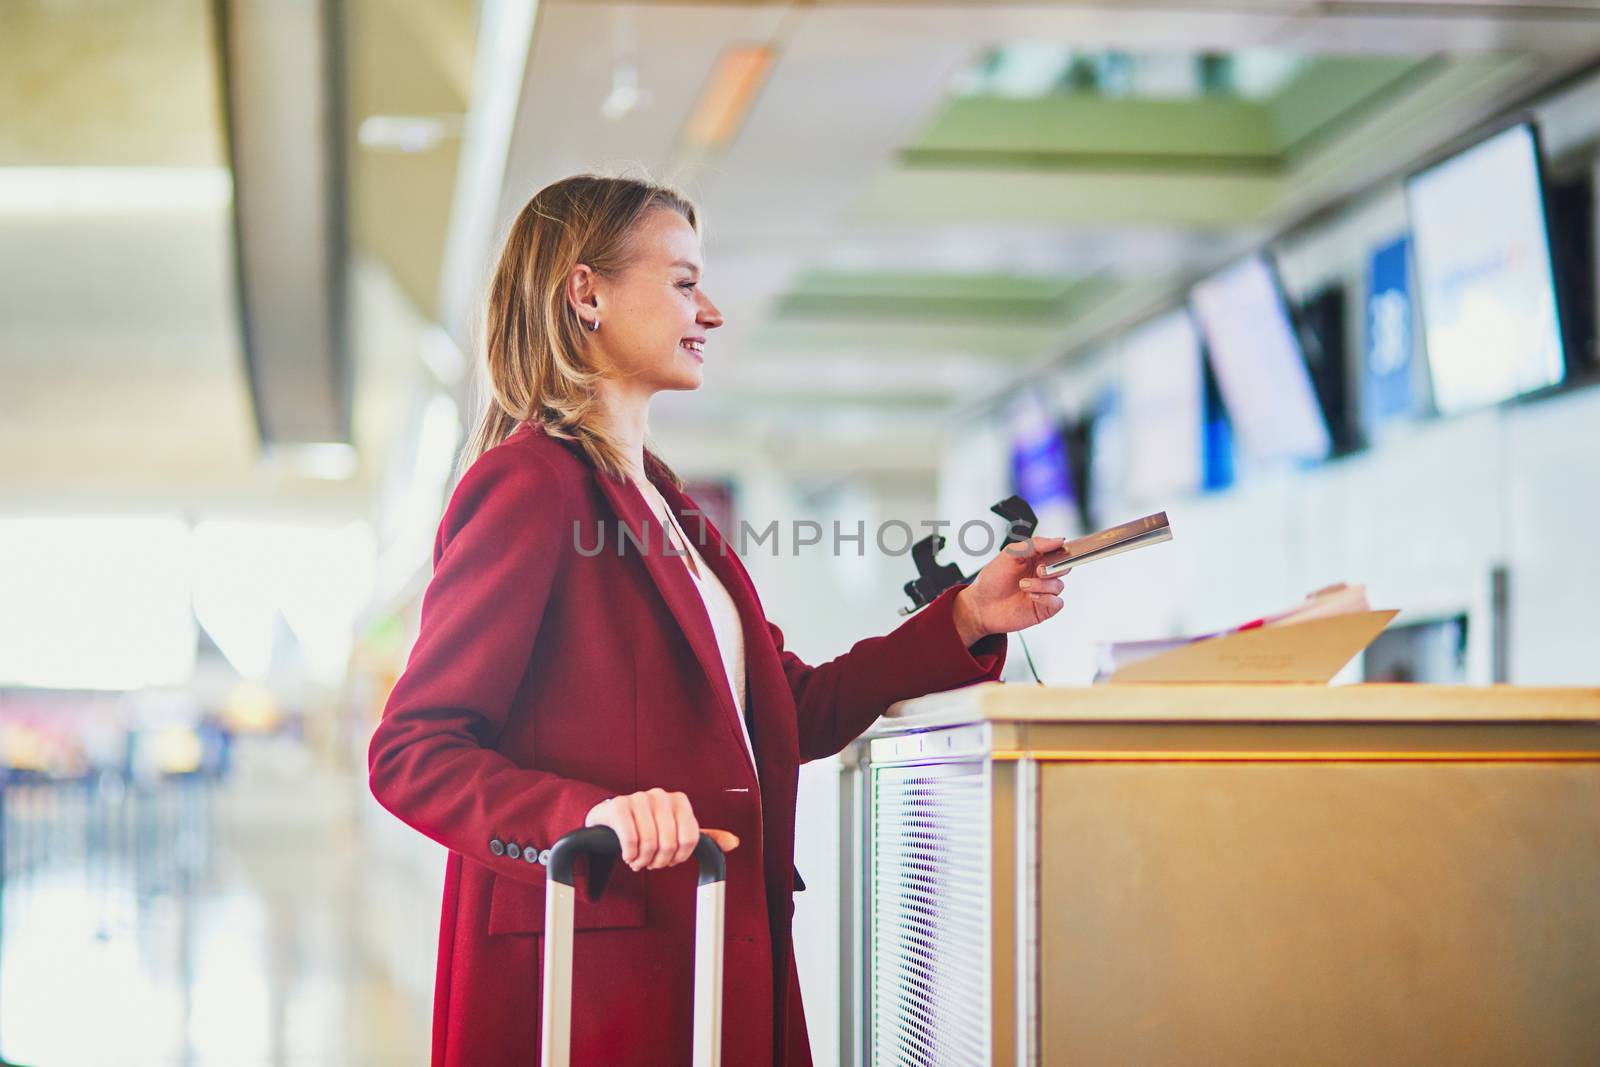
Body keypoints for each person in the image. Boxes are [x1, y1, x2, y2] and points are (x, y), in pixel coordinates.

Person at [367, 174, 1068, 1067]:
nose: (714, 312)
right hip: (599, 984)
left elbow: (789, 705)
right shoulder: (527, 484)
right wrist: (590, 817)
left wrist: (967, 614)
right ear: (587, 293)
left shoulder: (670, 505)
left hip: (717, 952)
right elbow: (411, 752)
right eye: (686, 282)